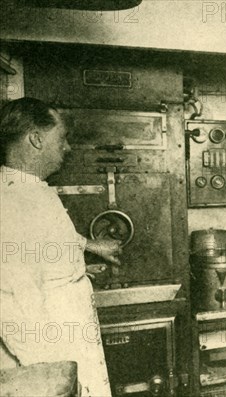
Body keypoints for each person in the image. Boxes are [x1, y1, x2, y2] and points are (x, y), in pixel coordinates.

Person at [0, 98, 121, 396]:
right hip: (51, 358)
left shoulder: (30, 189)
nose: (67, 148)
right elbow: (12, 307)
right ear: (36, 139)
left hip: (69, 341)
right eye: (62, 138)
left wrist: (85, 250)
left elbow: (45, 239)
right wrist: (55, 381)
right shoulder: (12, 203)